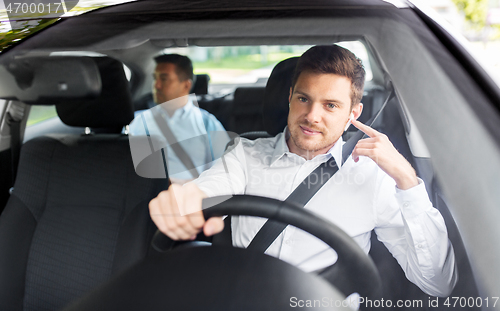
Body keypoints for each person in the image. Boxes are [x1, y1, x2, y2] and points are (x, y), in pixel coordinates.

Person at [148, 45, 457, 297]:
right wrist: (181, 202)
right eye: (304, 99)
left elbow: (437, 283)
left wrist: (407, 180)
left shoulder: (374, 177)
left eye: (331, 105)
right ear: (290, 97)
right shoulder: (245, 155)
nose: (312, 116)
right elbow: (204, 191)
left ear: (354, 113)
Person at [129, 54, 229, 183]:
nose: (156, 85)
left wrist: (180, 186)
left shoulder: (207, 123)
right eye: (155, 78)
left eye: (164, 79)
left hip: (192, 198)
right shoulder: (137, 121)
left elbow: (225, 172)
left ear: (186, 85)